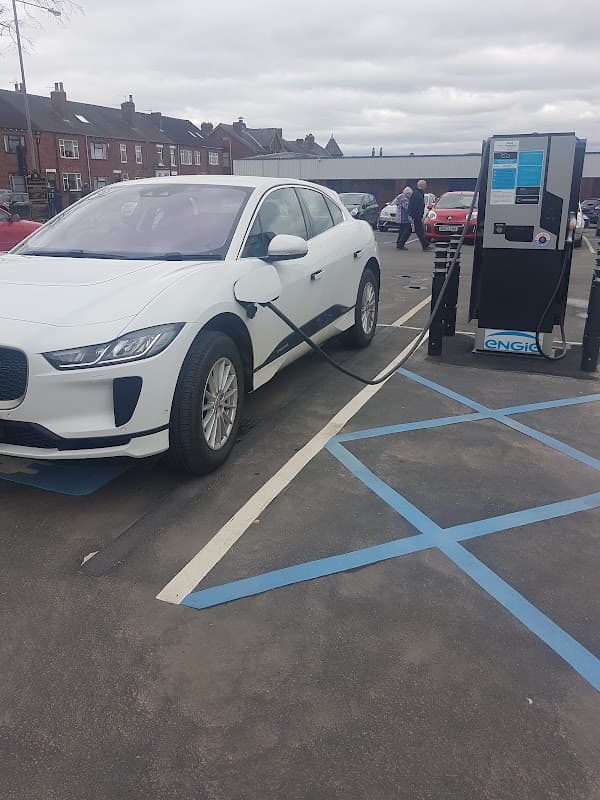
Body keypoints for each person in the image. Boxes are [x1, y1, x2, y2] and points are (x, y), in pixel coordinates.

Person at [409, 179, 431, 250]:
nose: (426, 186)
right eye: (425, 185)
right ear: (422, 185)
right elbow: (413, 205)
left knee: (419, 230)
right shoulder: (416, 194)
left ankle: (425, 244)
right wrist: (413, 216)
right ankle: (425, 245)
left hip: (417, 215)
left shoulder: (419, 193)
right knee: (419, 231)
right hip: (416, 216)